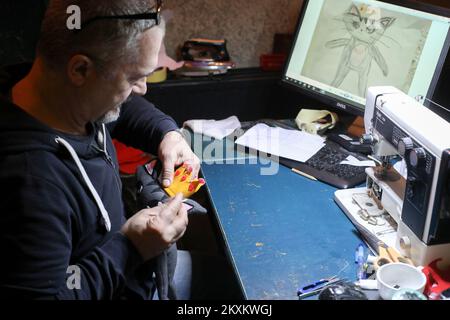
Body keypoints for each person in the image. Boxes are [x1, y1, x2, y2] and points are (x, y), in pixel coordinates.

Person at [0, 0, 202, 299]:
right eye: (134, 77)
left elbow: (125, 106)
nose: (143, 88)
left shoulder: (51, 91)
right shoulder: (32, 184)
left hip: (130, 274)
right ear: (80, 69)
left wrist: (166, 134)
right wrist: (130, 247)